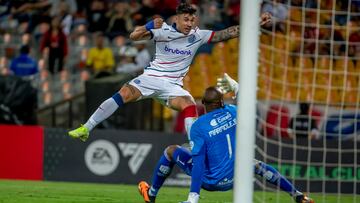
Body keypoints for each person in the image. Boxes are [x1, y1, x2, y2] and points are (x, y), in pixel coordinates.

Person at [68, 2, 272, 142]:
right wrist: (149, 25)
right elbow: (134, 36)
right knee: (123, 93)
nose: (190, 24)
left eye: (193, 20)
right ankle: (87, 128)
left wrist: (254, 24)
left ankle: (195, 146)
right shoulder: (163, 30)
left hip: (173, 86)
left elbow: (226, 33)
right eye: (186, 20)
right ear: (177, 18)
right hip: (151, 78)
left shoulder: (198, 36)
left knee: (189, 104)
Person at [138, 86, 314, 203]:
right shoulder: (234, 111)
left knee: (171, 151)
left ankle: (151, 195)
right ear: (222, 102)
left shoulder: (199, 125)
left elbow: (198, 163)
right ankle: (297, 195)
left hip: (211, 181)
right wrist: (236, 88)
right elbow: (246, 104)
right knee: (257, 165)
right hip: (235, 179)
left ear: (204, 105)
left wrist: (193, 198)